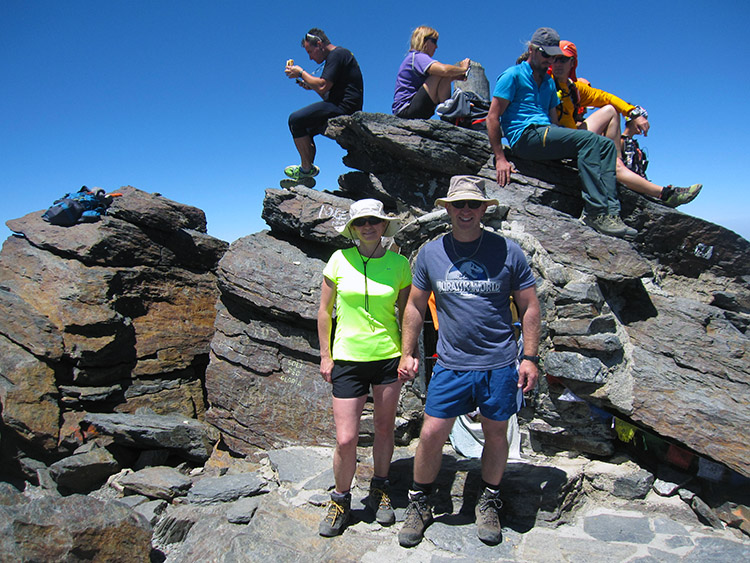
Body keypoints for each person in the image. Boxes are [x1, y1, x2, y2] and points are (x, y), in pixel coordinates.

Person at [396, 175, 541, 547]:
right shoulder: (430, 253)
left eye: (472, 205)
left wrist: (529, 357)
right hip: (450, 364)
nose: (465, 211)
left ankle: (489, 499)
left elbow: (529, 306)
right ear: (447, 208)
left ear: (483, 209)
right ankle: (421, 501)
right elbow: (414, 305)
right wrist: (408, 351)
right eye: (458, 204)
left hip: (498, 363)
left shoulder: (508, 251)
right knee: (431, 434)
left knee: (496, 433)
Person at [317, 198, 412, 537]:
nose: (368, 227)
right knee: (346, 439)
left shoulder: (401, 265)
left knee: (385, 430)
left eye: (374, 221)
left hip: (388, 357)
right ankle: (341, 499)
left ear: (384, 225)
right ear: (353, 228)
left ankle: (379, 488)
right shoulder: (338, 260)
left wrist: (407, 354)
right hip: (347, 359)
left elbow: (407, 315)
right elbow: (324, 312)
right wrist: (326, 356)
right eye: (361, 223)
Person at [487, 27, 636, 240]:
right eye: (546, 54)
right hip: (525, 136)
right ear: (531, 49)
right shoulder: (513, 75)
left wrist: (564, 145)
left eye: (554, 56)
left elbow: (553, 122)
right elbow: (493, 117)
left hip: (546, 134)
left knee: (605, 145)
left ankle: (611, 213)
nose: (550, 60)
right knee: (590, 141)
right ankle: (595, 213)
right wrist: (500, 158)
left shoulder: (548, 82)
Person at [550, 40, 702, 208]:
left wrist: (632, 113)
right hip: (557, 141)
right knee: (606, 119)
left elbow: (607, 97)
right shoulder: (544, 82)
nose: (558, 64)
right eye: (555, 58)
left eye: (563, 59)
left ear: (572, 62)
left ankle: (617, 163)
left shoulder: (574, 88)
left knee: (610, 110)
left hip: (572, 137)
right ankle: (664, 193)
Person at [283, 28, 363, 188]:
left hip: (344, 107)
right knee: (304, 127)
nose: (310, 57)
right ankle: (307, 169)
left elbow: (323, 85)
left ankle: (306, 169)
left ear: (319, 44)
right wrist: (310, 85)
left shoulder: (337, 54)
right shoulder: (338, 56)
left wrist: (301, 72)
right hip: (342, 104)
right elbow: (326, 91)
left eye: (310, 51)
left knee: (295, 119)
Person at [392, 25, 470, 119]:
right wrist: (463, 68)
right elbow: (444, 70)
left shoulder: (415, 59)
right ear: (423, 40)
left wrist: (454, 77)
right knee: (440, 73)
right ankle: (450, 112)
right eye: (434, 41)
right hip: (406, 110)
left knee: (445, 75)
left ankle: (450, 112)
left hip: (414, 109)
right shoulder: (417, 57)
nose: (436, 46)